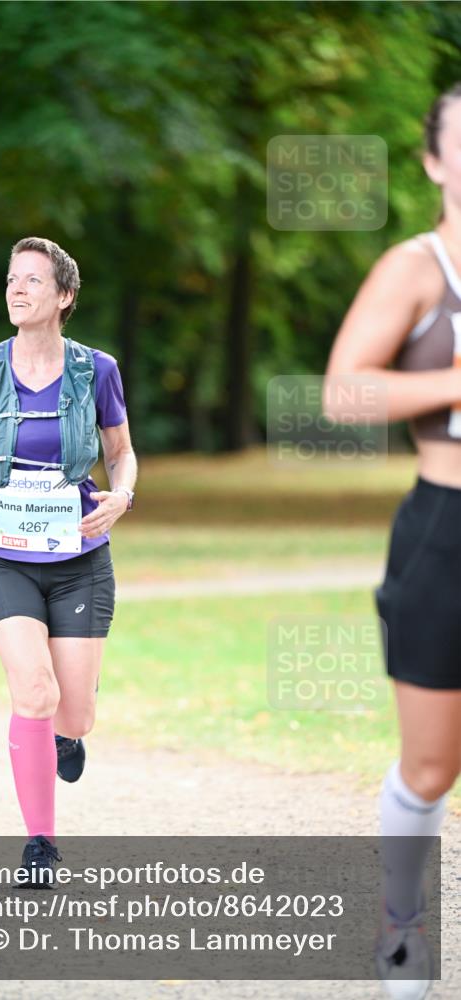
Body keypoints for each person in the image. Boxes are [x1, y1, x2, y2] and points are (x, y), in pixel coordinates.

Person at [0, 236, 137, 882]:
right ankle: (39, 843)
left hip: (79, 556)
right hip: (3, 557)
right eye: (13, 279)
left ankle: (70, 731)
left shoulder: (95, 370)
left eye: (33, 281)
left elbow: (120, 452)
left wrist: (121, 495)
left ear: (63, 296)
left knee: (73, 711)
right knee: (32, 692)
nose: (17, 289)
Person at [325, 84, 461, 1000]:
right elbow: (343, 393)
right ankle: (401, 927)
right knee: (430, 762)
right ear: (434, 161)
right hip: (445, 536)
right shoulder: (416, 269)